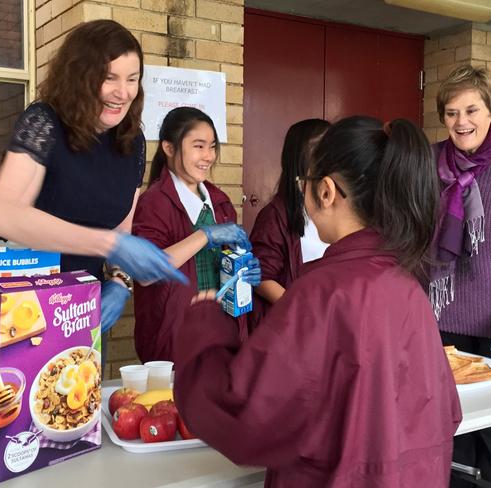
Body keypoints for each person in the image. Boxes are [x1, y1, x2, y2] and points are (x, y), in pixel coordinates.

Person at [172, 116, 461, 487]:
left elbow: (243, 418)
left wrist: (205, 325)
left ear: (325, 191)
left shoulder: (322, 291)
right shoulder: (407, 284)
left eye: (303, 184)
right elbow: (443, 413)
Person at [0, 20, 185, 334]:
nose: (123, 92)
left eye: (132, 79)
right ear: (80, 78)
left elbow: (123, 227)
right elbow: (5, 214)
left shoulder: (132, 142)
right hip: (23, 305)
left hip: (83, 306)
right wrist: (109, 244)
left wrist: (120, 282)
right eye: (109, 78)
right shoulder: (44, 122)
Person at [131, 107, 260, 363]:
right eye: (198, 146)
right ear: (169, 148)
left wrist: (245, 272)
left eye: (212, 146)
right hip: (174, 341)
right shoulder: (154, 203)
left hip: (222, 335)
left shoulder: (220, 202)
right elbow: (146, 274)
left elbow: (226, 266)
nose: (208, 156)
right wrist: (205, 235)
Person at [429, 65, 491, 487]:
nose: (461, 122)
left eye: (471, 109)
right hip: (435, 318)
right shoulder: (429, 161)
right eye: (451, 112)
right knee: (442, 430)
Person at [249, 119, 330, 329]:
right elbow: (261, 278)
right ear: (301, 159)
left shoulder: (333, 206)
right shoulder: (275, 216)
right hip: (291, 325)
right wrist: (305, 312)